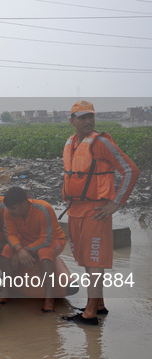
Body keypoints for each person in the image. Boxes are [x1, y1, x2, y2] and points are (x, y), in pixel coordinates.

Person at [61, 100, 139, 326]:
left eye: (91, 117)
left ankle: (90, 314)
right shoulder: (71, 143)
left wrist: (115, 203)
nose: (87, 121)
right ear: (72, 121)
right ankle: (99, 305)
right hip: (75, 210)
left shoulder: (101, 142)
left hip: (96, 211)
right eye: (82, 117)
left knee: (94, 262)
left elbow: (130, 170)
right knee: (86, 260)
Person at [0, 186, 67, 313]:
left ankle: (49, 300)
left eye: (13, 208)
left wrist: (25, 250)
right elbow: (10, 234)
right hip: (25, 240)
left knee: (45, 253)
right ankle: (4, 293)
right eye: (8, 208)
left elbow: (46, 239)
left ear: (24, 203)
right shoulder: (9, 212)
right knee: (6, 251)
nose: (10, 211)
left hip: (53, 240)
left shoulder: (44, 209)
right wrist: (19, 249)